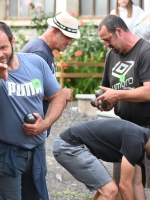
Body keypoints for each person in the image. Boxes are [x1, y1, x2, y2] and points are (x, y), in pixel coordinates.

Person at [0, 21, 66, 200]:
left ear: (13, 41)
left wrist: (44, 124)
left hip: (37, 151)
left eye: (3, 47)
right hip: (4, 152)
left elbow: (58, 96)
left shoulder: (36, 63)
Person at [96, 15, 150, 188]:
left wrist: (117, 95)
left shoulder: (145, 52)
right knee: (125, 185)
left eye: (107, 39)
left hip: (148, 127)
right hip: (126, 128)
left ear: (119, 31)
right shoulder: (111, 56)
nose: (106, 44)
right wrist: (106, 102)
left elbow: (148, 91)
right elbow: (108, 90)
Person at [53, 118, 150, 200]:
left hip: (72, 145)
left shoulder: (140, 144)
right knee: (111, 190)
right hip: (68, 146)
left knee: (109, 189)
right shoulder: (135, 141)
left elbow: (136, 184)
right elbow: (124, 185)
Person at [21, 11, 79, 135]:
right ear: (54, 32)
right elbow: (30, 89)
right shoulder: (39, 52)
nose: (70, 42)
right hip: (31, 125)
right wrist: (60, 94)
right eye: (67, 37)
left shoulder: (43, 49)